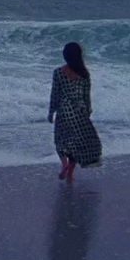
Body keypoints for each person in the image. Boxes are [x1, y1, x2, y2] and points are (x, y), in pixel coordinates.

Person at [48, 41, 103, 181]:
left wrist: (51, 112)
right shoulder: (84, 74)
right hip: (79, 111)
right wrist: (88, 111)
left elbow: (55, 94)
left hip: (64, 111)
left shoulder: (58, 73)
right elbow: (86, 96)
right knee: (78, 143)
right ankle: (70, 174)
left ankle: (64, 164)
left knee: (61, 141)